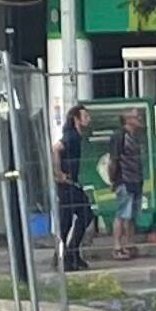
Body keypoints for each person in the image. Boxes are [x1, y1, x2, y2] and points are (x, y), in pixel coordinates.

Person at [53, 100, 98, 273]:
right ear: (76, 119)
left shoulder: (77, 137)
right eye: (85, 116)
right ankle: (66, 255)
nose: (88, 119)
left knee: (81, 215)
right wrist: (59, 173)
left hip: (72, 184)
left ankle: (71, 252)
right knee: (76, 217)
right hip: (67, 185)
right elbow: (55, 149)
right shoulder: (71, 136)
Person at [100, 105, 148, 260]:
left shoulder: (134, 136)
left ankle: (129, 243)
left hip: (135, 179)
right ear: (127, 120)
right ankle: (117, 245)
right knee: (122, 213)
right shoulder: (120, 136)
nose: (140, 119)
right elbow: (113, 160)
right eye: (136, 116)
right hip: (124, 179)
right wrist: (113, 179)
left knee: (131, 214)